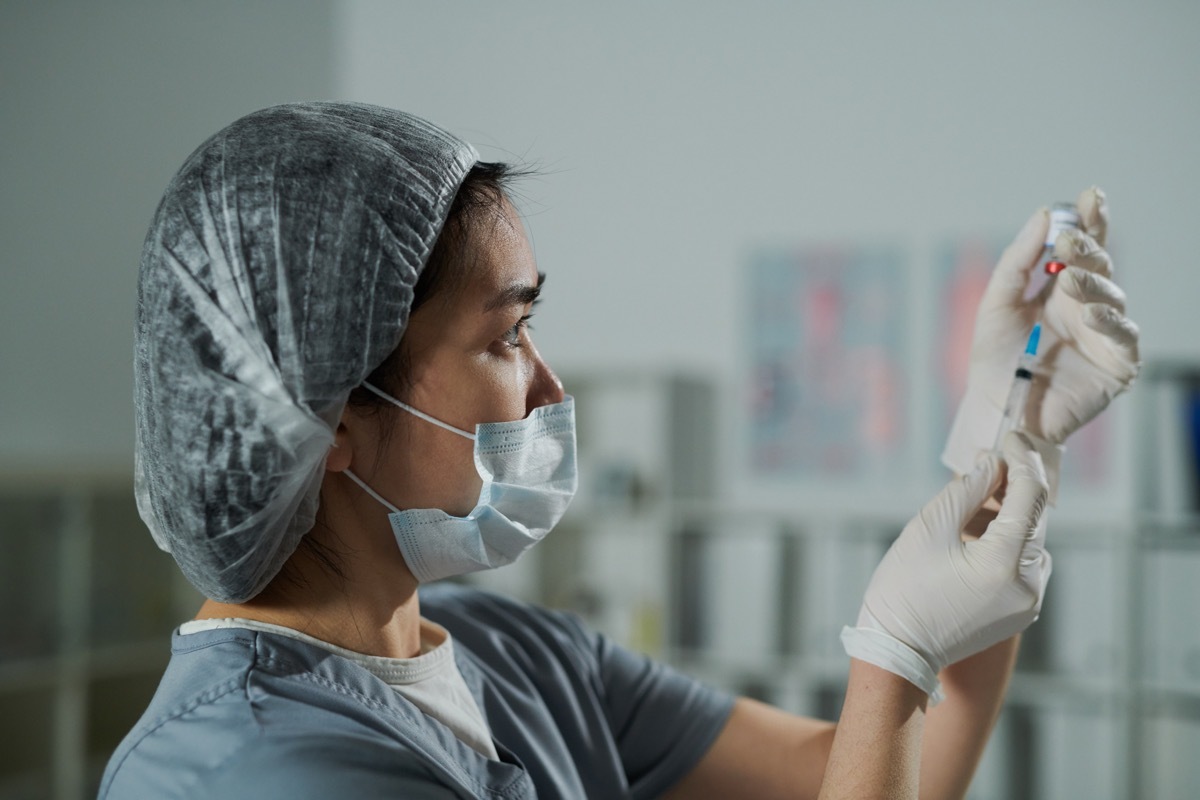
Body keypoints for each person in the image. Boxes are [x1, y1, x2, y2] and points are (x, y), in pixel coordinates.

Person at [100, 102, 1139, 799]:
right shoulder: (248, 767)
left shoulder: (521, 655)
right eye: (507, 336)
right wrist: (893, 651)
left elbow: (871, 771)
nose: (551, 385)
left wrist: (1008, 431)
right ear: (328, 413)